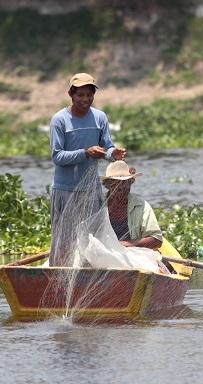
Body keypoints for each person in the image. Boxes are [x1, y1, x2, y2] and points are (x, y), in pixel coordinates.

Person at [49, 72, 127, 265]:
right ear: (71, 94)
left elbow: (106, 147)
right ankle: (58, 274)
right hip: (65, 190)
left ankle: (89, 277)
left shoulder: (100, 118)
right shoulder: (59, 120)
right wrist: (85, 152)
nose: (85, 99)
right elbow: (57, 156)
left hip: (91, 190)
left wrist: (112, 155)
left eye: (89, 95)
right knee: (63, 242)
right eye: (80, 95)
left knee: (92, 240)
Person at [101, 160, 163, 250]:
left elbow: (157, 239)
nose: (121, 187)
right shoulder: (98, 204)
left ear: (130, 183)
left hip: (133, 254)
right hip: (104, 253)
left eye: (125, 183)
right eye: (116, 183)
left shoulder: (141, 206)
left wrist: (128, 245)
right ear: (108, 185)